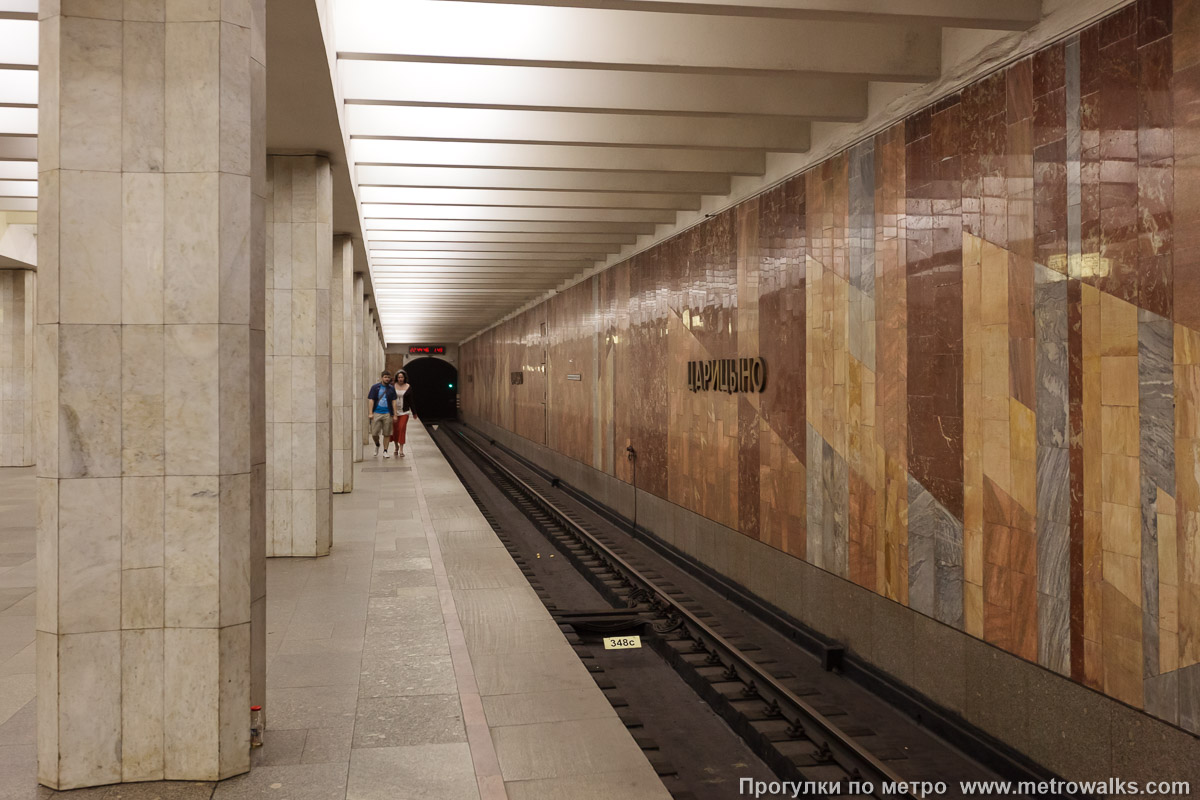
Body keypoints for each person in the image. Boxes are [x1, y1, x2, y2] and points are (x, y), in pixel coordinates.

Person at [366, 371, 397, 458]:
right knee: (374, 433)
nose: (387, 379)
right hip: (377, 412)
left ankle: (385, 451)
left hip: (388, 413)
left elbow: (394, 401)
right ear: (382, 377)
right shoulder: (375, 387)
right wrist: (370, 413)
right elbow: (371, 400)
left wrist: (395, 414)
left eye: (388, 377)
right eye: (385, 377)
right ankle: (377, 444)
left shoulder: (391, 388)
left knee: (387, 433)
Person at [391, 369, 416, 457]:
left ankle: (401, 449)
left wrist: (414, 412)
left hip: (404, 412)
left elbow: (411, 400)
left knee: (402, 429)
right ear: (396, 378)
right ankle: (396, 447)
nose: (400, 379)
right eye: (399, 377)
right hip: (394, 412)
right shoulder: (392, 386)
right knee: (395, 431)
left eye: (402, 377)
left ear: (404, 378)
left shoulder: (408, 387)